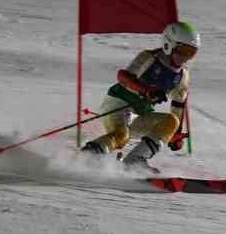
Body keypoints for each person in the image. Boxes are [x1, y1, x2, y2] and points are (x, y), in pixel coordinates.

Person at [80, 21, 198, 170]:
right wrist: (145, 90)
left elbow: (178, 104)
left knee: (171, 121)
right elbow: (123, 76)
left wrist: (175, 134)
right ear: (169, 44)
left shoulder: (182, 76)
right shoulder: (150, 58)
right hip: (117, 103)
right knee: (122, 136)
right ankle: (86, 157)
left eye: (191, 53)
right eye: (183, 51)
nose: (185, 57)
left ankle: (135, 160)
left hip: (138, 113)